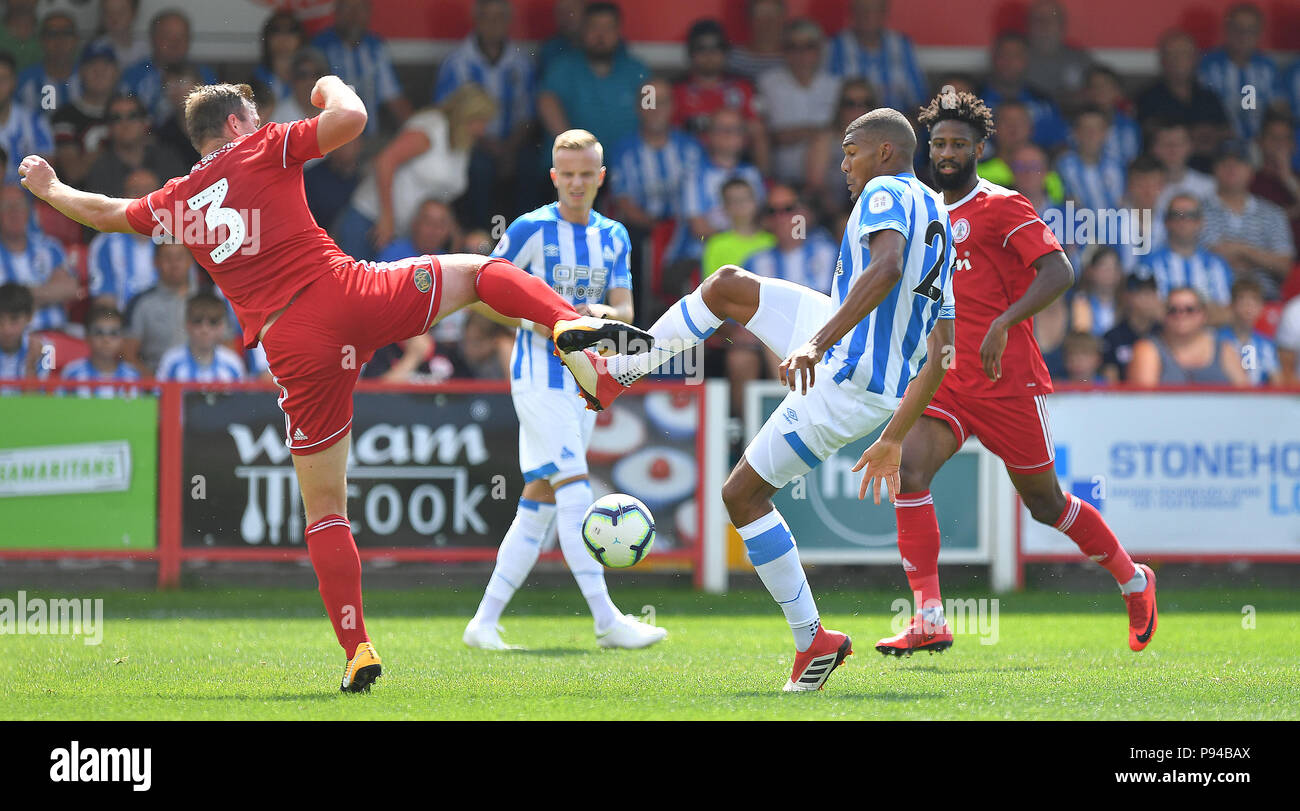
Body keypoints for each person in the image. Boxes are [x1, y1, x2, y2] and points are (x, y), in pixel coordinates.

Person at [18, 78, 646, 691]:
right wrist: (329, 84)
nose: (263, 122)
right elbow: (352, 121)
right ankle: (568, 325)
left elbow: (102, 215)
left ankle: (357, 648)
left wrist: (49, 188)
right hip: (346, 295)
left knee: (324, 508)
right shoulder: (263, 146)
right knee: (481, 273)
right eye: (256, 114)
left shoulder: (175, 201)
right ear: (237, 124)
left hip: (290, 346)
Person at [560, 107, 958, 692]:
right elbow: (942, 350)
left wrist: (819, 345)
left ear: (885, 153)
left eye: (850, 150)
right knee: (726, 286)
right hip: (864, 362)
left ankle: (812, 640)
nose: (842, 163)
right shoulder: (941, 219)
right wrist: (895, 433)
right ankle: (617, 375)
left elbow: (888, 266)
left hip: (847, 376)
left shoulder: (883, 192)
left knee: (741, 495)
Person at [875, 91, 1156, 656]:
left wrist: (1005, 321)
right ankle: (928, 615)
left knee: (1045, 503)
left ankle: (1133, 580)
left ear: (980, 148)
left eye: (958, 143)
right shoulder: (918, 209)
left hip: (1007, 379)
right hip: (946, 375)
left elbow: (1059, 271)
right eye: (939, 144)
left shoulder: (1004, 206)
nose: (947, 153)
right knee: (909, 472)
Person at [464, 129, 666, 652]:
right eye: (567, 175)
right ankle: (606, 620)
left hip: (586, 383)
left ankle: (483, 623)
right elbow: (481, 290)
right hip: (538, 378)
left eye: (586, 175)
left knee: (539, 499)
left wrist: (600, 316)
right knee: (576, 486)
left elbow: (625, 311)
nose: (576, 184)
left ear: (601, 177)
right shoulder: (531, 228)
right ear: (554, 177)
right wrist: (546, 325)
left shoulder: (615, 235)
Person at [337, 83, 496, 260]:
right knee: (354, 283)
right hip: (370, 220)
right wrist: (387, 218)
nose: (484, 129)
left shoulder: (462, 142)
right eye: (481, 121)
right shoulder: (431, 128)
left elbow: (440, 194)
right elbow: (385, 161)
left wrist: (454, 232)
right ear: (467, 115)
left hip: (405, 234)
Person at [756, 18, 839, 186]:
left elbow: (840, 131)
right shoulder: (767, 83)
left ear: (819, 50)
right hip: (780, 176)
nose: (801, 53)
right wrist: (813, 131)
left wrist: (796, 134)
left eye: (808, 46)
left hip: (829, 177)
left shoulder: (835, 86)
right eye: (793, 47)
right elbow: (766, 135)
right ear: (784, 51)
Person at [311, 0, 410, 136]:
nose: (354, 15)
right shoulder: (320, 47)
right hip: (329, 139)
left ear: (369, 14)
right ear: (337, 12)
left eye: (360, 9)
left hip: (370, 138)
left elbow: (394, 98)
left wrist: (415, 127)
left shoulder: (375, 47)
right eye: (348, 8)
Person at [1136, 193, 1234, 323]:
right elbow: (1146, 310)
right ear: (1166, 222)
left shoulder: (1219, 265)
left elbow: (1228, 313)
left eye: (1190, 216)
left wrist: (1172, 311)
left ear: (1200, 222)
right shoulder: (1148, 263)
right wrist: (1204, 311)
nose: (1183, 221)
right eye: (1176, 215)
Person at [1128, 286, 1248, 386]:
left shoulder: (1224, 349)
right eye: (1173, 310)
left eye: (1189, 309)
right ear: (1164, 315)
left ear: (1203, 314)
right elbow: (1144, 404)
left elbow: (1246, 397)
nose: (1181, 315)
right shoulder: (1148, 349)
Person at [1197, 3, 1282, 140]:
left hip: (1260, 145)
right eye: (1237, 29)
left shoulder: (1267, 67)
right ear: (1226, 30)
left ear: (1260, 33)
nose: (1243, 36)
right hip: (1218, 145)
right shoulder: (1207, 66)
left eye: (1250, 30)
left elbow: (1279, 108)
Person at [824, 0, 926, 113]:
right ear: (852, 13)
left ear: (885, 14)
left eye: (875, 10)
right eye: (863, 10)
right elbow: (827, 102)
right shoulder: (835, 47)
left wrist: (911, 122)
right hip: (851, 126)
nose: (869, 16)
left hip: (895, 125)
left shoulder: (901, 45)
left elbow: (919, 99)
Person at [0, 183, 75, 333]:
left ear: (28, 212)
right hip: (9, 340)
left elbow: (70, 288)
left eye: (20, 206)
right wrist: (46, 292)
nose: (14, 212)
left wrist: (16, 297)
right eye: (7, 206)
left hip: (56, 333)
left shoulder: (49, 247)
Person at [87, 167, 159, 313]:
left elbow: (186, 290)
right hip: (123, 325)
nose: (143, 198)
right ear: (123, 197)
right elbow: (104, 302)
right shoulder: (105, 243)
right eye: (136, 191)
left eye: (149, 192)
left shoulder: (173, 240)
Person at [122, 239, 196, 373]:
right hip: (154, 385)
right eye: (167, 257)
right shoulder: (140, 303)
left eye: (180, 257)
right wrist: (154, 384)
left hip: (201, 383)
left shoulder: (207, 299)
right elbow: (127, 354)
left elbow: (227, 346)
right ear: (155, 262)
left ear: (191, 260)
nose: (174, 264)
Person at [155, 292, 248, 382]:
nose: (205, 329)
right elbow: (159, 396)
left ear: (222, 326)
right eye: (197, 321)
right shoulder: (171, 361)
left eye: (213, 322)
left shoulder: (233, 363)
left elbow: (242, 397)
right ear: (187, 325)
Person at [59, 305, 140, 397]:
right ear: (87, 337)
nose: (106, 339)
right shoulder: (72, 373)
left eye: (114, 333)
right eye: (98, 332)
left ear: (122, 339)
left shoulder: (132, 375)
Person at [0, 51, 52, 183]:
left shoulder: (35, 122)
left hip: (26, 201)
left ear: (13, 82)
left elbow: (47, 176)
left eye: (4, 78)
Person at [1217, 277, 1280, 386]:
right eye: (1242, 301)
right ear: (1231, 305)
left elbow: (1277, 382)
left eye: (1254, 301)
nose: (1248, 308)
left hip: (1260, 401)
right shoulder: (1217, 340)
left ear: (1261, 307)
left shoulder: (1267, 344)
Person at [1100, 274, 1163, 381]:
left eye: (1151, 292)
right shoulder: (1113, 337)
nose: (1147, 299)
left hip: (1164, 396)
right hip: (1123, 397)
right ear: (1127, 296)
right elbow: (1110, 381)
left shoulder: (1164, 333)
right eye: (1140, 292)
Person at [254, 11, 304, 108]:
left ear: (301, 37)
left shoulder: (310, 74)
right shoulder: (257, 76)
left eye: (291, 30)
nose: (283, 36)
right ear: (267, 37)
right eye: (276, 30)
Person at [0, 281, 45, 379]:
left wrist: (31, 366)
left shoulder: (44, 352)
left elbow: (35, 395)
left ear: (29, 317)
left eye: (14, 319)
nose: (6, 329)